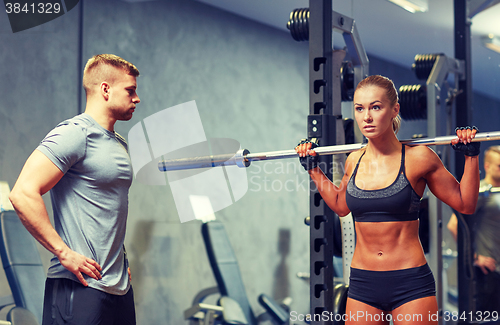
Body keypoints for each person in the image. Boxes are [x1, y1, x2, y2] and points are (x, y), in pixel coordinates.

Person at [295, 75, 480, 325]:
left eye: (376, 107)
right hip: (362, 283)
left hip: (410, 283)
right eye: (359, 108)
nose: (366, 117)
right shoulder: (354, 159)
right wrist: (313, 169)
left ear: (395, 109)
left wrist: (471, 157)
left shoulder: (419, 157)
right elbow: (340, 206)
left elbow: (465, 204)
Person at [9, 54, 140, 325]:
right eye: (130, 90)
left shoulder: (119, 143)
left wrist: (120, 259)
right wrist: (63, 252)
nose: (136, 98)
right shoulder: (75, 133)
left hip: (119, 289)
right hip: (79, 287)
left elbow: (108, 210)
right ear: (105, 89)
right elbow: (23, 193)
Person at [447, 145, 500, 314]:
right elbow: (453, 225)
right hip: (489, 270)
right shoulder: (482, 191)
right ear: (487, 166)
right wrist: (475, 257)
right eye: (499, 165)